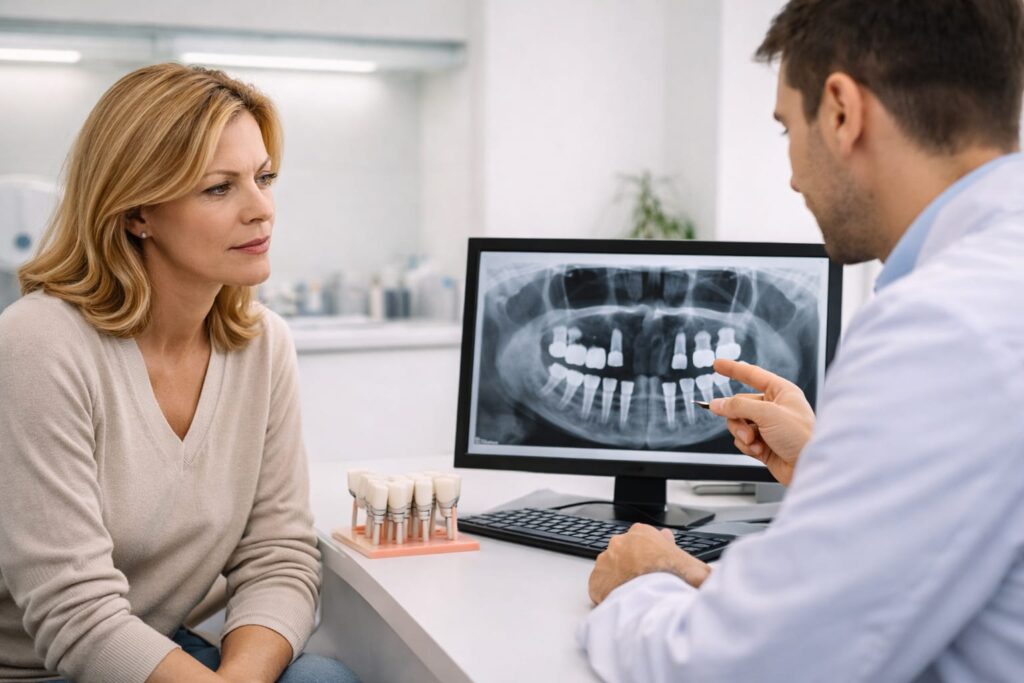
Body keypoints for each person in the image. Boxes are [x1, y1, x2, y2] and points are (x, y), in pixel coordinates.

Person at [578, 1, 1024, 681]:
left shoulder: (942, 326)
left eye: (787, 126)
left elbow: (735, 670)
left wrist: (643, 580)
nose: (790, 173)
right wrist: (829, 466)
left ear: (842, 110)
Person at [0, 64, 358, 682]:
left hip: (171, 649)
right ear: (138, 211)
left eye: (264, 178)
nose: (261, 210)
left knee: (326, 679)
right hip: (45, 668)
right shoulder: (40, 341)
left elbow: (278, 556)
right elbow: (74, 611)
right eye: (220, 188)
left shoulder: (263, 345)